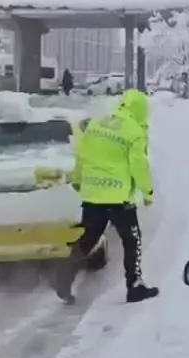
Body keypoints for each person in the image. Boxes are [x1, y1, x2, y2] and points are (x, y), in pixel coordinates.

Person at [53, 89, 158, 305]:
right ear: (140, 110)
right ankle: (135, 287)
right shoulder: (134, 131)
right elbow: (139, 164)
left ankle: (63, 278)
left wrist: (78, 180)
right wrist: (146, 192)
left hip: (93, 196)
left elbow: (82, 156)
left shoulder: (97, 124)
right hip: (119, 199)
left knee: (88, 238)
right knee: (132, 241)